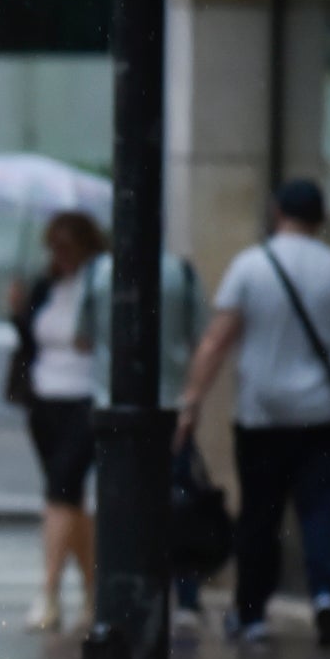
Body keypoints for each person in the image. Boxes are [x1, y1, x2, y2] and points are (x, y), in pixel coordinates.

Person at [177, 178, 330, 647]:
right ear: (321, 219)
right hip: (325, 416)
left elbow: (217, 340)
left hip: (263, 415)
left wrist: (192, 400)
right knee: (322, 511)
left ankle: (252, 615)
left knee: (260, 515)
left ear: (276, 213)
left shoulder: (251, 267)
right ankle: (327, 596)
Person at [84, 247, 208, 628]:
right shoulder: (182, 274)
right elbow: (200, 336)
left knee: (116, 503)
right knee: (178, 500)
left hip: (111, 403)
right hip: (171, 404)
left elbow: (81, 335)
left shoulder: (98, 272)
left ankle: (117, 591)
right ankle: (185, 596)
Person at [11, 210, 108, 632]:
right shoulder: (45, 287)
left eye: (69, 246)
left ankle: (47, 593)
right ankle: (92, 589)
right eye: (56, 247)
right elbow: (29, 337)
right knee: (70, 503)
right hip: (45, 401)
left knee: (59, 493)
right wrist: (16, 309)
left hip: (85, 398)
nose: (61, 255)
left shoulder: (101, 286)